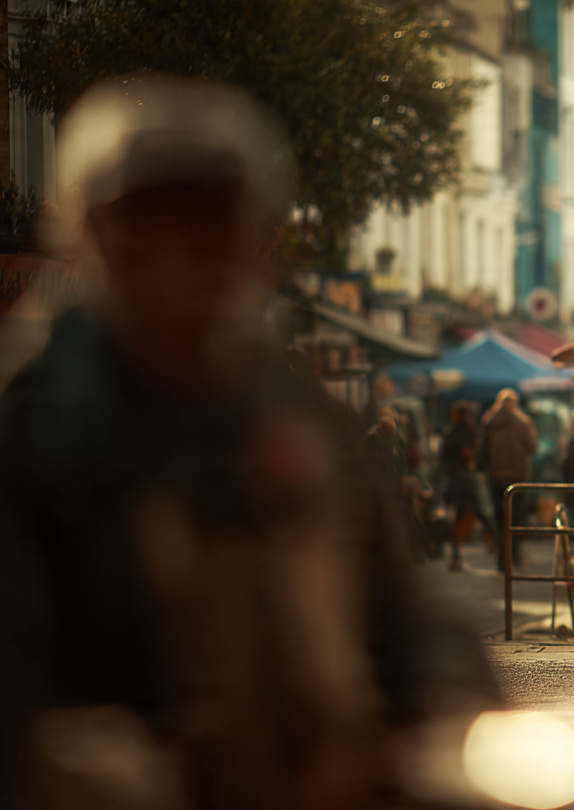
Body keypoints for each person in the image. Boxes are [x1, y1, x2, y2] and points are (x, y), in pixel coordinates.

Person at [0, 75, 497, 807]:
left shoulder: (300, 417)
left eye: (225, 231)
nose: (204, 263)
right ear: (103, 238)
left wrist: (446, 708)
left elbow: (409, 617)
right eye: (169, 231)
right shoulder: (35, 432)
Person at [479, 388, 538, 568]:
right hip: (517, 476)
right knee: (515, 518)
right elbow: (532, 447)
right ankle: (515, 556)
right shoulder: (522, 422)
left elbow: (482, 450)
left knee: (499, 519)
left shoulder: (489, 421)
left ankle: (501, 558)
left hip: (495, 476)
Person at [439, 401, 498, 570]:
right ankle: (501, 548)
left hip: (458, 478)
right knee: (480, 514)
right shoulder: (472, 430)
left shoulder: (453, 432)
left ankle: (456, 556)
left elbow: (447, 455)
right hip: (469, 477)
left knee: (459, 517)